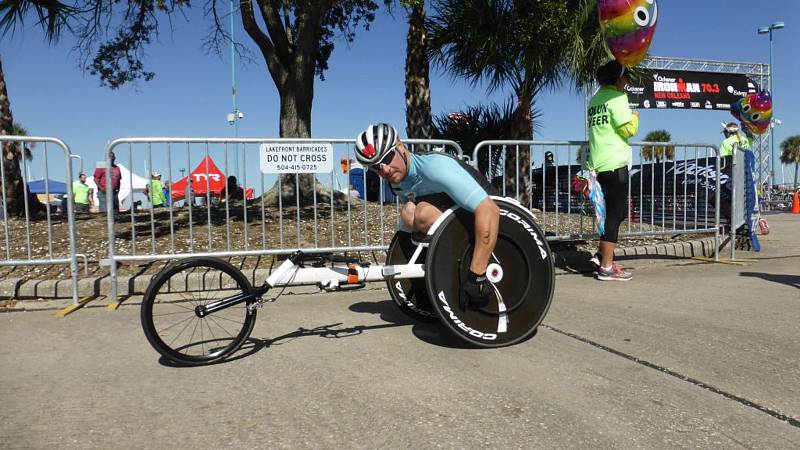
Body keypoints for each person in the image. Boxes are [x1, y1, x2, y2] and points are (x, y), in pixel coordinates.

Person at [354, 123, 500, 308]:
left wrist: (476, 276)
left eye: (388, 158)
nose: (385, 170)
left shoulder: (434, 167)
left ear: (400, 146)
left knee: (422, 213)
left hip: (498, 219)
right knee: (408, 213)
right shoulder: (397, 183)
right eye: (376, 167)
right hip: (462, 221)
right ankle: (447, 270)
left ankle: (470, 266)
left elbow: (490, 210)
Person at [586, 60, 639, 281]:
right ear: (618, 79)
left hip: (597, 165)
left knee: (610, 214)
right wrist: (635, 119)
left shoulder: (595, 100)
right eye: (626, 79)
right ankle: (606, 267)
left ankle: (602, 256)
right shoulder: (618, 98)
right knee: (615, 215)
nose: (627, 83)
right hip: (615, 163)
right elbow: (627, 130)